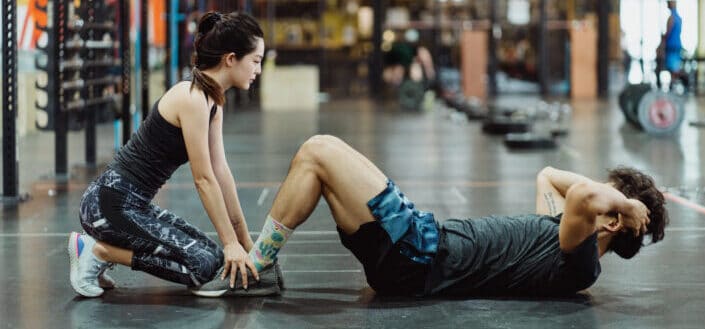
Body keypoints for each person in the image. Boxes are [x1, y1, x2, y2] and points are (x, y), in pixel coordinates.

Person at [229, 135, 668, 297]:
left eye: (611, 203)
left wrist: (624, 205)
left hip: (419, 253)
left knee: (319, 149)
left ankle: (259, 264)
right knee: (317, 165)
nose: (600, 192)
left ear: (610, 221)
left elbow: (582, 198)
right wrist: (620, 203)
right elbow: (549, 176)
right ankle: (260, 264)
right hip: (414, 251)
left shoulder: (582, 258)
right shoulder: (556, 234)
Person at [68, 12, 266, 298]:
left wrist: (244, 243)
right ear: (231, 58)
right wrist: (230, 242)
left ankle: (100, 250)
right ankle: (98, 251)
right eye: (256, 61)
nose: (258, 69)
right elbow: (204, 179)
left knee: (216, 258)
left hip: (132, 206)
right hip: (108, 205)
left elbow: (222, 173)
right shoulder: (192, 98)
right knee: (203, 265)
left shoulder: (212, 102)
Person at [656, 0, 683, 89]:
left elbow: (667, 34)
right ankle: (674, 87)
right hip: (677, 46)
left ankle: (672, 88)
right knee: (674, 70)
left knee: (672, 70)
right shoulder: (679, 18)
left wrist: (661, 45)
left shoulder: (671, 18)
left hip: (671, 47)